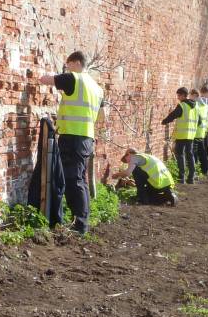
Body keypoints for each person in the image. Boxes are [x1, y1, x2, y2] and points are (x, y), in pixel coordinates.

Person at [37, 51, 103, 235]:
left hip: (74, 137)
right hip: (85, 137)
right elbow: (101, 115)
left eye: (68, 65)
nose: (67, 68)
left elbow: (45, 80)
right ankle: (81, 220)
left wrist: (38, 74)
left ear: (76, 63)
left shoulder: (75, 79)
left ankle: (80, 224)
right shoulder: (96, 88)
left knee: (73, 180)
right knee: (79, 179)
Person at [111, 148, 177, 206]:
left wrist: (117, 175)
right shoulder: (146, 156)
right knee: (147, 193)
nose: (128, 163)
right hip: (166, 183)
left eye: (126, 160)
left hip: (157, 184)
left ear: (128, 154)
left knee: (136, 170)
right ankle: (169, 196)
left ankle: (143, 199)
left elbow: (127, 173)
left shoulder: (134, 157)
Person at [161, 87, 198, 184]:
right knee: (190, 155)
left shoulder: (182, 105)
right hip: (191, 135)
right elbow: (200, 121)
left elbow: (173, 115)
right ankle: (191, 177)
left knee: (180, 154)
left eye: (178, 95)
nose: (177, 97)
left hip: (182, 135)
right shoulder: (195, 107)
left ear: (182, 95)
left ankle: (181, 177)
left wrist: (164, 121)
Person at [189, 88, 208, 177]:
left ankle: (195, 171)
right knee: (202, 151)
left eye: (190, 95)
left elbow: (197, 120)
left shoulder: (196, 106)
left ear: (194, 95)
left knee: (195, 152)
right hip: (202, 132)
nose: (189, 97)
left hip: (195, 132)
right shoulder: (205, 105)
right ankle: (205, 169)